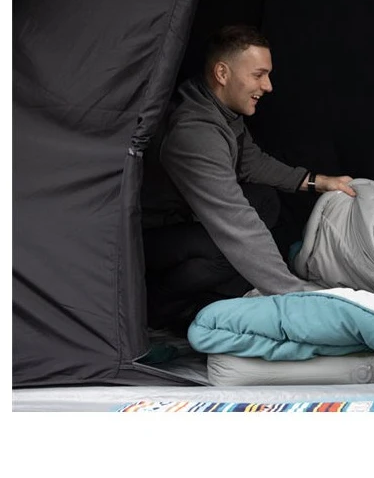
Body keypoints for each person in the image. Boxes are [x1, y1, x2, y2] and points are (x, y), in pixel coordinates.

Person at [141, 24, 356, 335]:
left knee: (264, 200)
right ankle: (156, 305)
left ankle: (208, 289)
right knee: (226, 247)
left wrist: (318, 181)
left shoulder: (218, 110)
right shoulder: (194, 133)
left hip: (180, 221)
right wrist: (294, 294)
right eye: (258, 75)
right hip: (146, 238)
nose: (268, 86)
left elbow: (252, 163)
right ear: (222, 73)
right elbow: (235, 222)